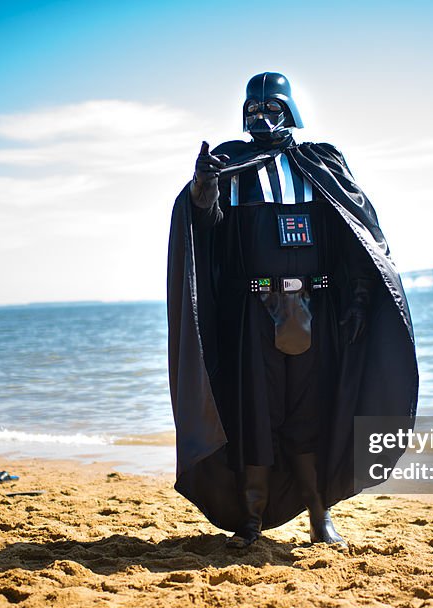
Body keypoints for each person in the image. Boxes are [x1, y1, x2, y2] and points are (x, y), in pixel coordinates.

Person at [167, 71, 418, 548]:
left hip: (316, 310)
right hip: (252, 314)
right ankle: (252, 518)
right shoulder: (231, 165)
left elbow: (354, 237)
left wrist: (362, 300)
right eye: (253, 111)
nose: (261, 118)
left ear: (291, 110)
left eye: (271, 109)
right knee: (254, 413)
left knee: (312, 415)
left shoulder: (319, 163)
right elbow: (209, 234)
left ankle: (319, 517)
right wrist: (203, 190)